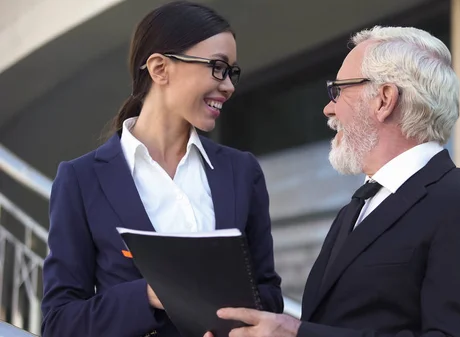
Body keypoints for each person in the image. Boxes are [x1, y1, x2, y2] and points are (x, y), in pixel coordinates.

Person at [211, 26, 460, 337]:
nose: (328, 108)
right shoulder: (357, 207)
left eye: (339, 90)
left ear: (384, 99)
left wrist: (296, 335)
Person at [40, 2, 283, 336]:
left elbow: (268, 293)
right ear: (159, 69)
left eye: (231, 72)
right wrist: (152, 294)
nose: (228, 86)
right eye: (217, 67)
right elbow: (60, 322)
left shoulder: (241, 171)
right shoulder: (81, 180)